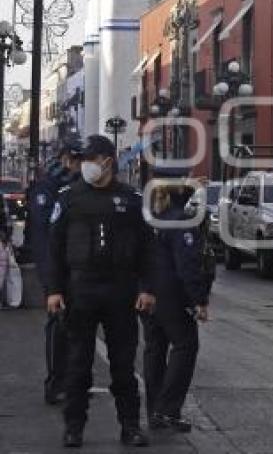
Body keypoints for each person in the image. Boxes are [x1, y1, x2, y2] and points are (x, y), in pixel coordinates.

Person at [46, 135, 155, 448]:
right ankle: (74, 428)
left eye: (90, 159)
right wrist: (54, 289)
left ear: (107, 161)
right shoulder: (69, 197)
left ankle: (131, 426)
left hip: (121, 290)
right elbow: (54, 248)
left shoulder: (131, 199)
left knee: (123, 365)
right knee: (78, 364)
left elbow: (148, 248)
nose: (84, 165)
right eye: (83, 160)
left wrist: (147, 288)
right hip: (81, 289)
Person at [142, 169, 210, 433]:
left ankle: (155, 411)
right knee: (185, 346)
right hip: (172, 294)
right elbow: (187, 266)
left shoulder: (150, 217)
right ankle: (167, 409)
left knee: (155, 350)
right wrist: (199, 301)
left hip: (148, 292)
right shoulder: (180, 220)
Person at [28, 138, 83, 405]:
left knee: (75, 326)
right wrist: (51, 279)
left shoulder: (73, 187)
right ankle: (55, 383)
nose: (78, 165)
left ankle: (72, 381)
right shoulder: (47, 187)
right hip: (54, 266)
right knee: (58, 323)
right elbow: (45, 232)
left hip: (75, 266)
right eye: (74, 160)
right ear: (64, 158)